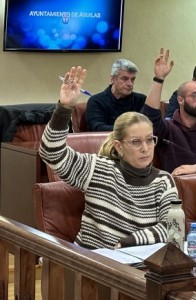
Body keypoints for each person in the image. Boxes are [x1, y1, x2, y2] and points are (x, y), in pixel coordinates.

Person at [40, 66, 177, 249]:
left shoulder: (164, 180)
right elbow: (51, 153)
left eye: (150, 140)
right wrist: (64, 108)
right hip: (95, 264)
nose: (145, 148)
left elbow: (172, 227)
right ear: (119, 147)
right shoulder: (98, 169)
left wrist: (131, 242)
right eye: (136, 142)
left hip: (140, 266)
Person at [140, 48, 196, 175]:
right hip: (176, 190)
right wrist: (159, 79)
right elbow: (148, 119)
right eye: (195, 96)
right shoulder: (168, 128)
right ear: (180, 100)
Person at [86, 59, 147, 131]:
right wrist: (130, 130)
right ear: (112, 79)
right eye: (125, 79)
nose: (130, 84)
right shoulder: (96, 101)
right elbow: (98, 128)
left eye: (132, 79)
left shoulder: (141, 100)